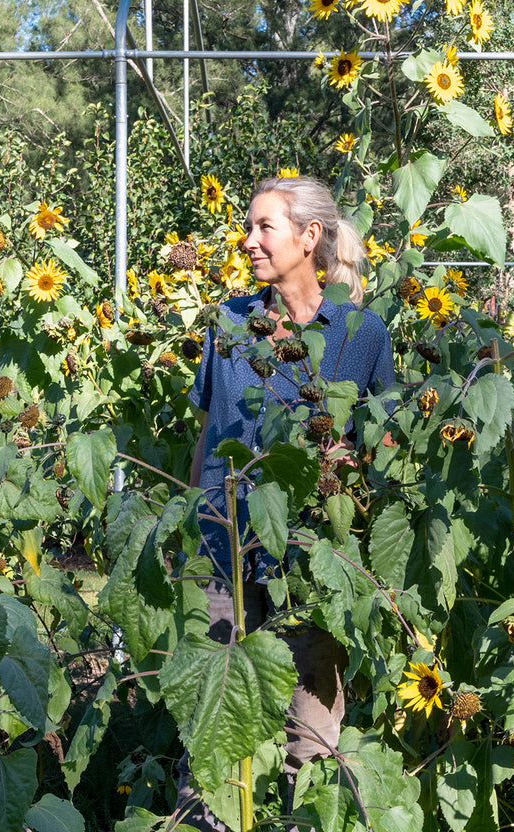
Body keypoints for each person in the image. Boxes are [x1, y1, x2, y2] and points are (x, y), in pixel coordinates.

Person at [178, 175, 394, 825]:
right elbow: (208, 432)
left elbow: (380, 449)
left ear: (308, 237)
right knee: (212, 736)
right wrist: (191, 522)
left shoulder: (361, 334)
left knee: (312, 737)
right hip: (226, 553)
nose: (248, 241)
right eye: (249, 227)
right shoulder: (229, 322)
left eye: (262, 227)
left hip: (311, 558)